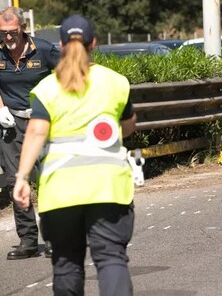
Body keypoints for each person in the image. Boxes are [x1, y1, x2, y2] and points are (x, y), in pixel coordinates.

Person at [13, 15, 137, 295]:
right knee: (111, 259)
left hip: (61, 193)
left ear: (61, 44)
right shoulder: (115, 82)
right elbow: (128, 127)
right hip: (109, 189)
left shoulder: (48, 87)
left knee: (67, 264)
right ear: (94, 43)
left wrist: (21, 178)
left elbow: (35, 133)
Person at [0, 6, 60, 259]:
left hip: (42, 122)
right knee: (16, 180)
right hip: (10, 125)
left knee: (47, 180)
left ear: (23, 28)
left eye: (13, 32)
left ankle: (56, 237)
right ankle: (27, 240)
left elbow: (67, 77)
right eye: (3, 33)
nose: (8, 38)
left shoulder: (44, 50)